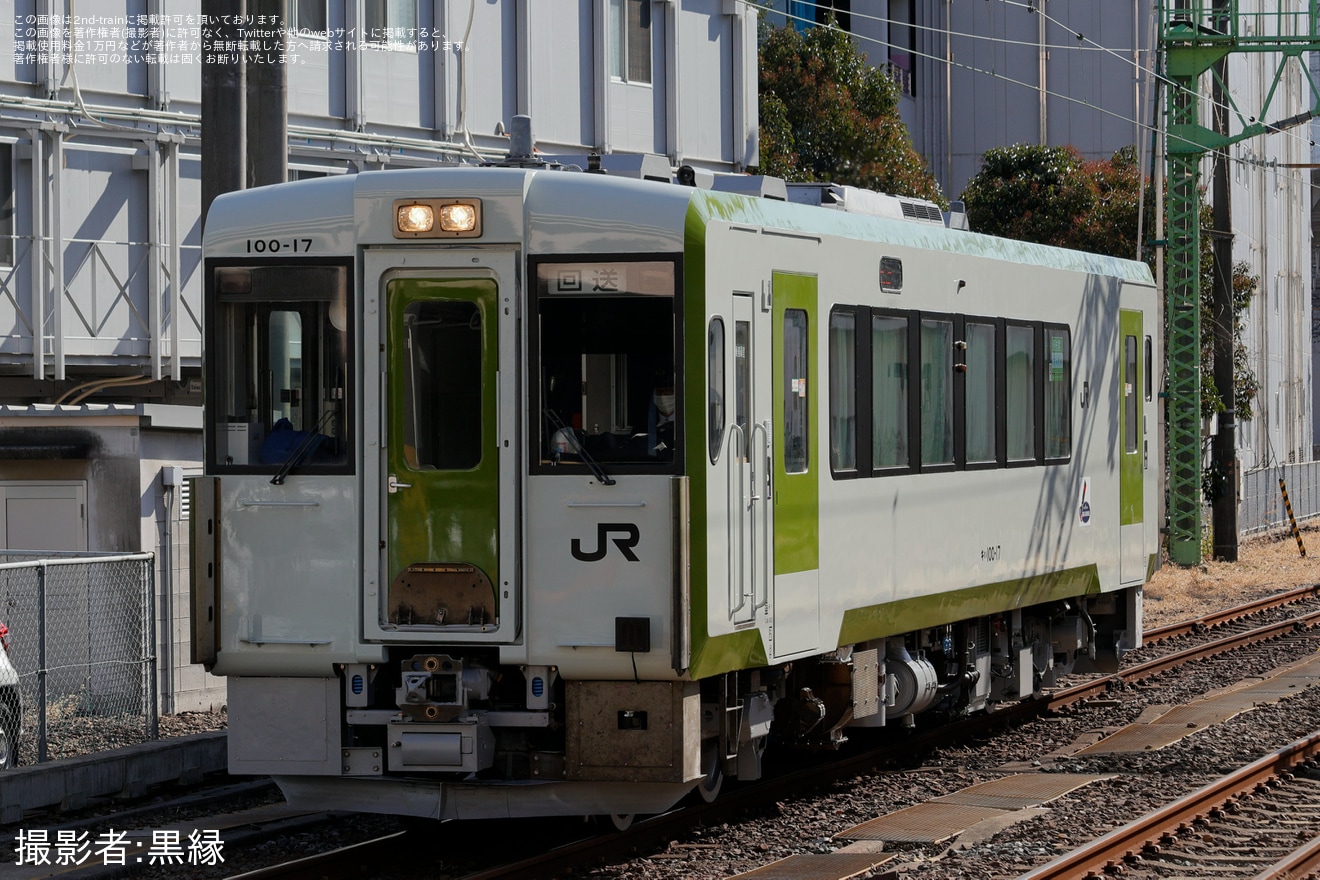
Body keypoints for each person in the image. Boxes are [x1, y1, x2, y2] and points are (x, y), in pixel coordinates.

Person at [648, 385, 675, 457]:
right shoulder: (642, 424)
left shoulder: (688, 424)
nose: (663, 396)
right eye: (659, 392)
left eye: (668, 391)